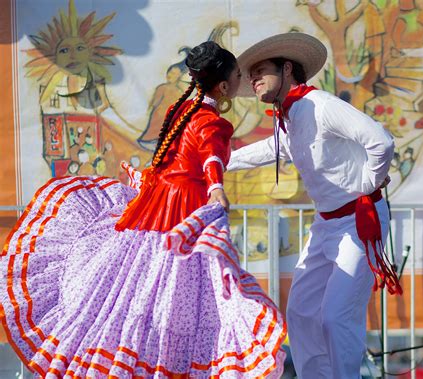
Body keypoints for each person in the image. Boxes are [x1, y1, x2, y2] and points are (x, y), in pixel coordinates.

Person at [0, 41, 286, 378]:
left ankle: (128, 362)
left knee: (134, 288)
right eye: (238, 75)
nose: (241, 80)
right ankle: (162, 365)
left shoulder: (180, 111)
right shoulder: (213, 121)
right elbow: (210, 156)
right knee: (177, 293)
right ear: (224, 86)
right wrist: (216, 187)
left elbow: (178, 157)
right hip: (183, 209)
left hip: (152, 204)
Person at [227, 33, 402, 379]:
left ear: (287, 68)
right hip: (326, 225)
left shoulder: (321, 105)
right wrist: (219, 162)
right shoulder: (288, 116)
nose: (254, 78)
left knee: (336, 316)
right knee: (302, 313)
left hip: (358, 221)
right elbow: (270, 150)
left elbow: (381, 141)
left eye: (261, 70)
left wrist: (369, 181)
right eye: (251, 74)